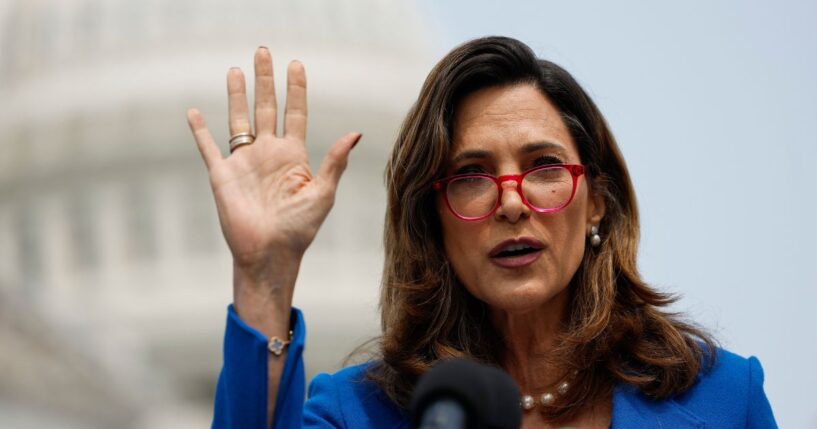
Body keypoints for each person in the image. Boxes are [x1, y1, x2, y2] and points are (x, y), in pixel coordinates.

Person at [187, 37, 777, 429]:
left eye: (544, 167)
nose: (512, 203)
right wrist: (264, 274)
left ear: (597, 202)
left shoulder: (725, 398)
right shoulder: (356, 413)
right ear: (433, 220)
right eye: (472, 176)